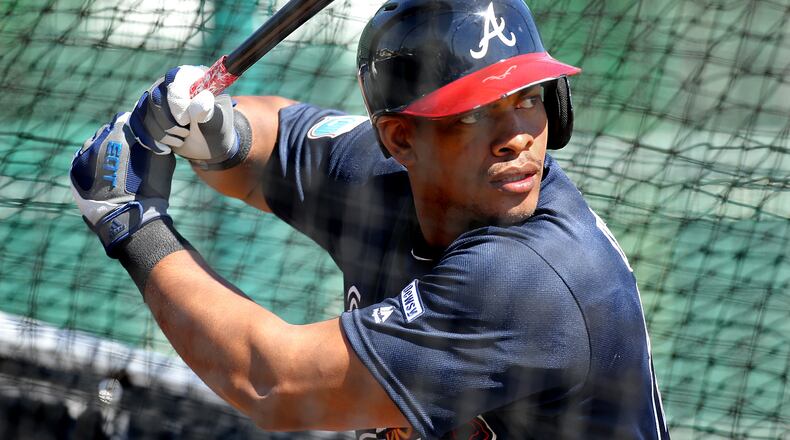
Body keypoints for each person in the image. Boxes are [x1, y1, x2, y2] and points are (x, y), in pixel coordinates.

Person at [69, 0, 670, 438]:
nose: (517, 139)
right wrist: (213, 129)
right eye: (474, 114)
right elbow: (272, 143)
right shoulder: (388, 172)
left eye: (529, 100)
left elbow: (273, 384)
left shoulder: (532, 279)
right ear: (401, 139)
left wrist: (131, 223)